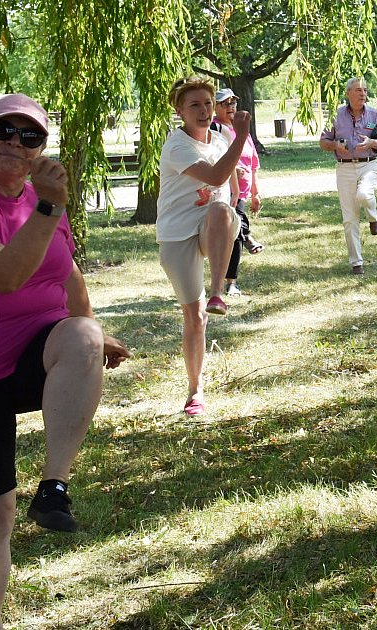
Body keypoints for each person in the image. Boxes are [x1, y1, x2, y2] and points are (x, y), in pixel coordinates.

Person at [0, 93, 130, 630]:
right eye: (3, 131)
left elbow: (68, 277)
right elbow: (5, 277)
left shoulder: (42, 202)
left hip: (29, 357)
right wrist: (48, 205)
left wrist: (93, 336)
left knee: (83, 333)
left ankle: (54, 486)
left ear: (42, 146)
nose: (15, 143)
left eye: (31, 136)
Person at [157, 76, 247, 415]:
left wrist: (240, 201)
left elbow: (230, 184)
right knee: (194, 318)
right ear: (180, 110)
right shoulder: (177, 145)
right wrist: (242, 137)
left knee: (221, 210)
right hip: (176, 233)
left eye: (208, 104)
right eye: (194, 105)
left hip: (210, 224)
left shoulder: (221, 139)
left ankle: (218, 292)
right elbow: (215, 177)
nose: (204, 110)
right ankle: (195, 390)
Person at [320, 77, 377, 275]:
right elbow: (323, 141)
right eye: (359, 90)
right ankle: (356, 263)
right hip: (344, 168)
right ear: (348, 93)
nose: (363, 94)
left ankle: (374, 217)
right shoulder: (336, 115)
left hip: (368, 165)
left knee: (364, 195)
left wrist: (372, 143)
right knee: (349, 218)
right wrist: (336, 145)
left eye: (365, 90)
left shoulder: (375, 114)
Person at [212, 88, 263, 297]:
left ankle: (231, 281)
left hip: (240, 190)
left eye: (233, 103)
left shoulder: (241, 129)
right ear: (215, 107)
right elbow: (212, 157)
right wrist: (231, 167)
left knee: (234, 237)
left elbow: (253, 163)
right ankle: (248, 236)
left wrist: (255, 192)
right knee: (234, 233)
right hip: (222, 189)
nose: (231, 107)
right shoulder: (213, 128)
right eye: (225, 103)